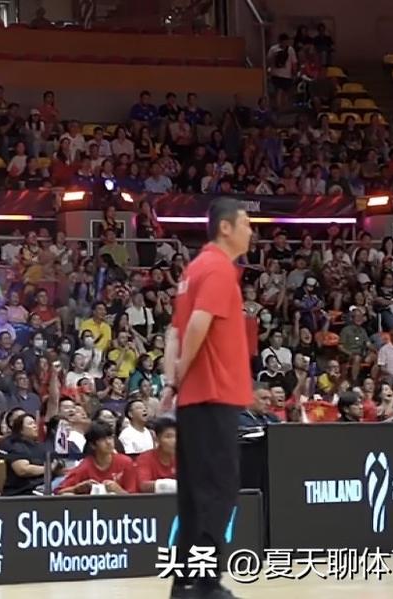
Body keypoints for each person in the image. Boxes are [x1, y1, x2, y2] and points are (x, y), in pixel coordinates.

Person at [166, 197, 254, 599]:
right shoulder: (218, 268)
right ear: (225, 227)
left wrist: (172, 383)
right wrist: (183, 372)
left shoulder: (193, 270)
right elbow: (197, 325)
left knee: (194, 494)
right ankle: (204, 584)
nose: (251, 231)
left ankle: (185, 584)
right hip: (214, 395)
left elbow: (174, 332)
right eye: (246, 223)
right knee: (217, 491)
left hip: (194, 399)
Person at [54, 422, 137, 495]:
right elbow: (59, 491)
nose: (108, 442)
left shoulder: (126, 462)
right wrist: (77, 488)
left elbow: (134, 497)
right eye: (102, 439)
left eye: (110, 437)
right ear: (93, 445)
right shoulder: (85, 466)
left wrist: (118, 490)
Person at [134, 416, 178, 493]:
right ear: (157, 439)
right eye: (168, 436)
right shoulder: (145, 459)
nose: (174, 441)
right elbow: (144, 486)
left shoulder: (186, 457)